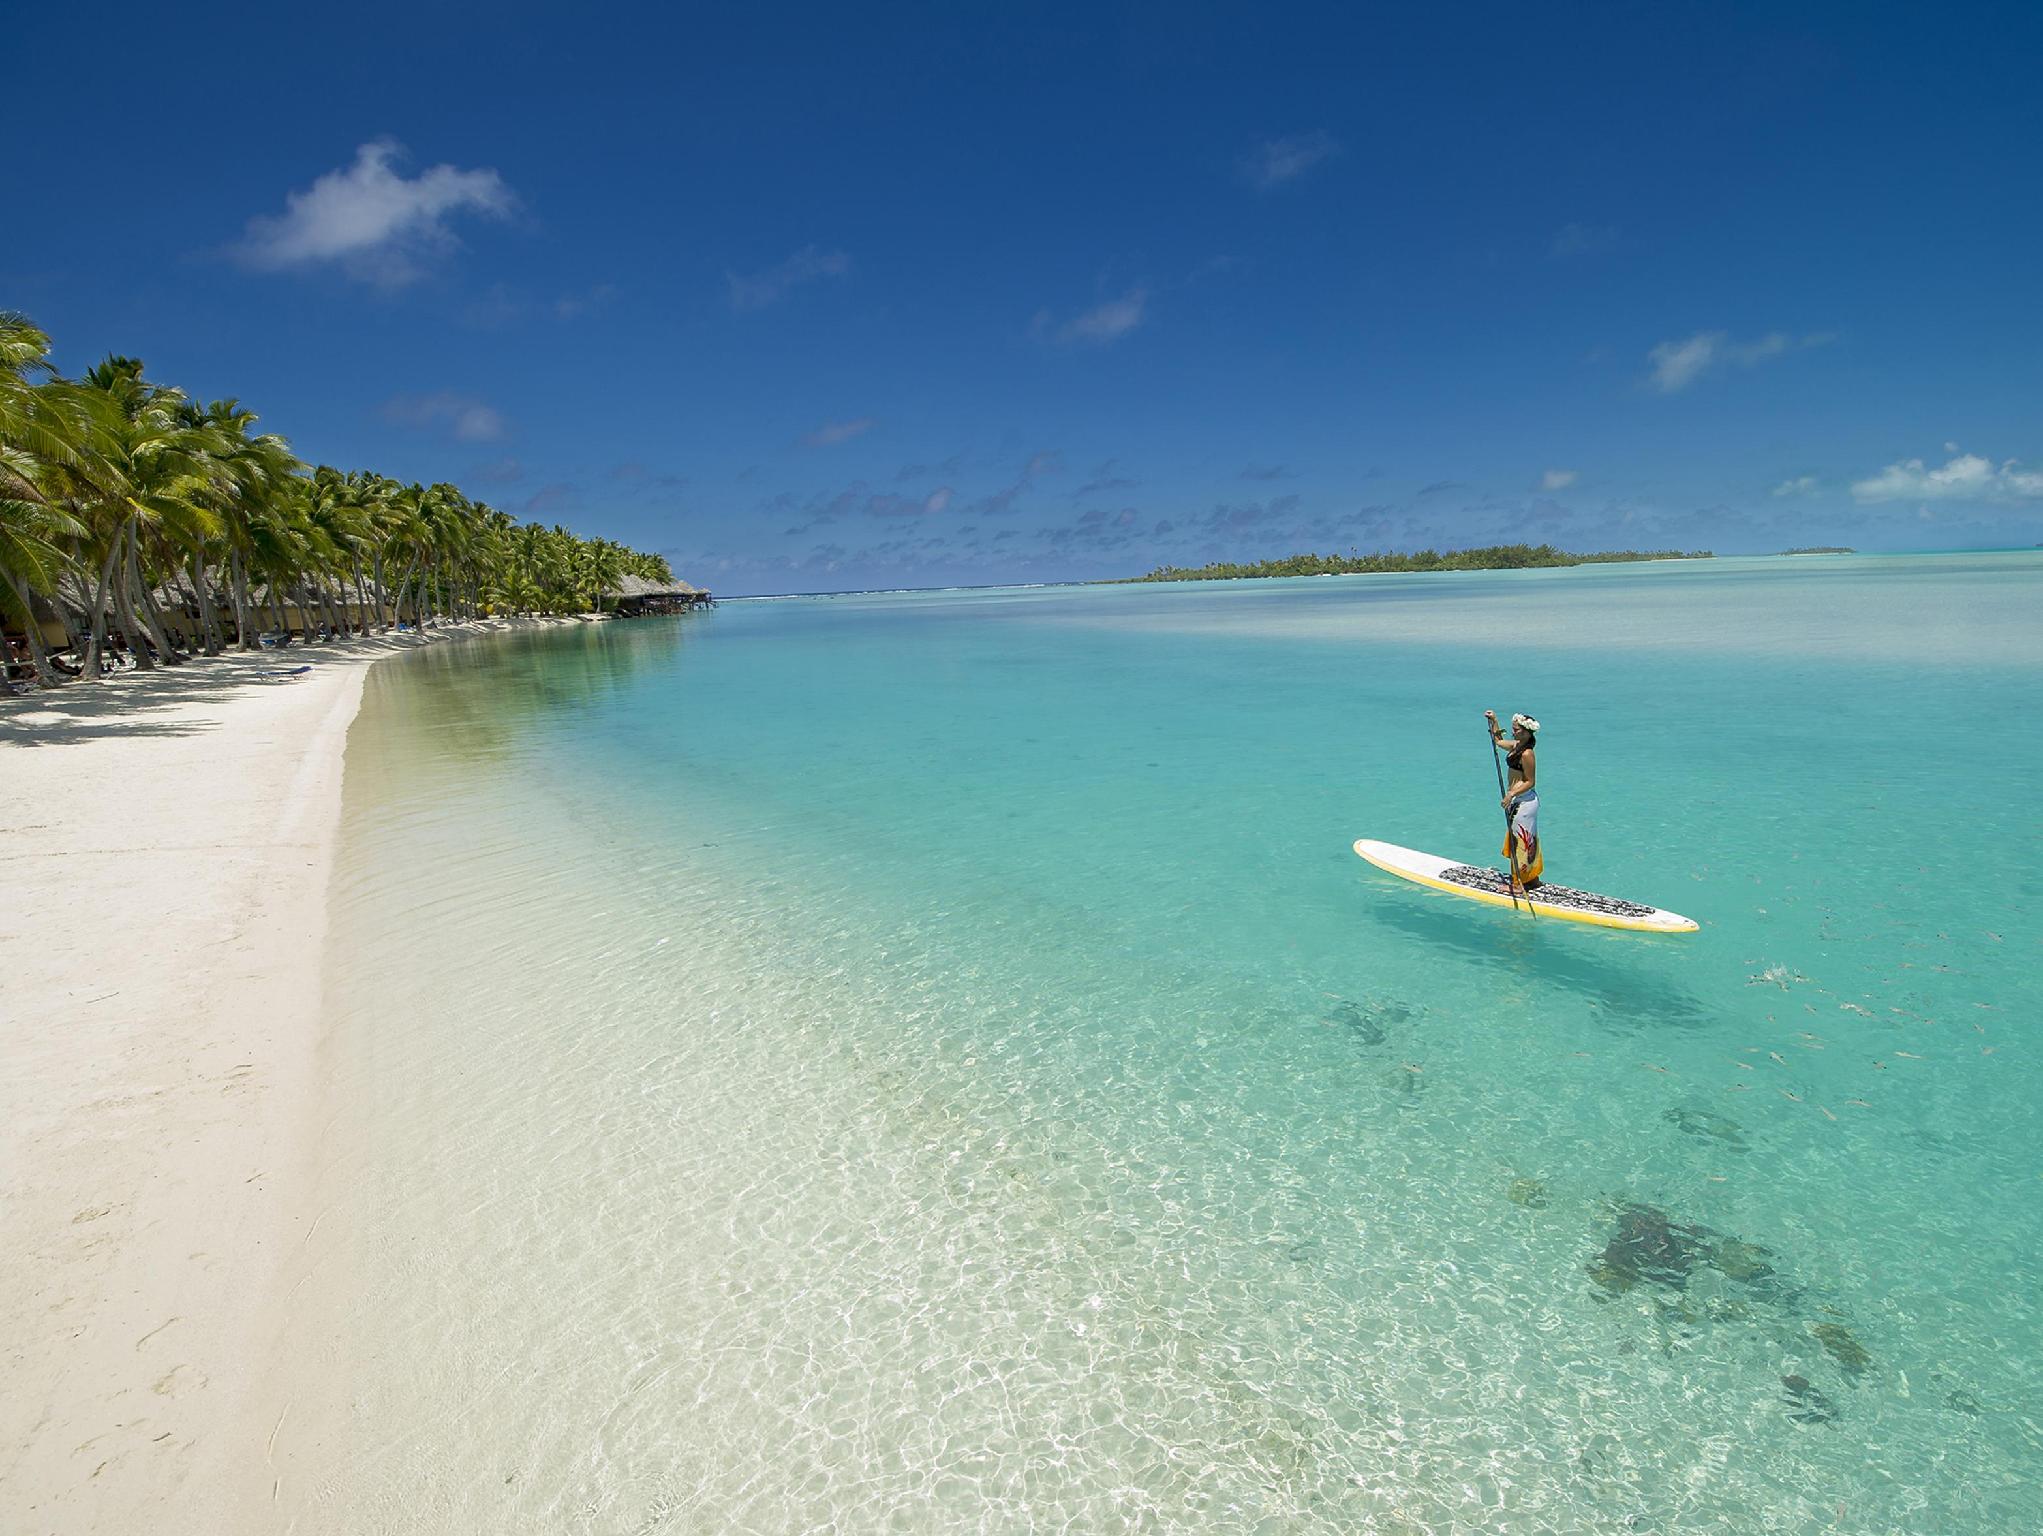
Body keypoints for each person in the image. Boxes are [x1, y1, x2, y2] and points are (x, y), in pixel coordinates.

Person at [1485, 709, 1542, 889]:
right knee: (1523, 842)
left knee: (1522, 843)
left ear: (1526, 732)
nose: (1513, 732)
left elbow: (1530, 781)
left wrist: (1510, 794)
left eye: (1516, 730)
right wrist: (1494, 720)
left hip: (1525, 803)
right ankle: (1531, 880)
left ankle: (1519, 885)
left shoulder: (1527, 754)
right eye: (1513, 729)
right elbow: (1498, 741)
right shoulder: (1517, 745)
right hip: (1518, 802)